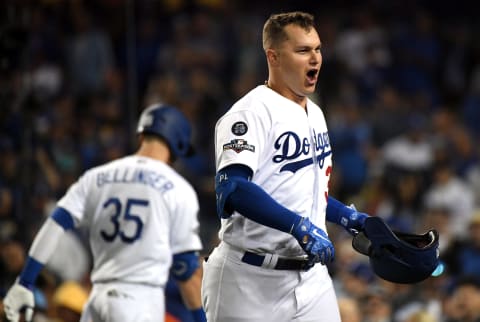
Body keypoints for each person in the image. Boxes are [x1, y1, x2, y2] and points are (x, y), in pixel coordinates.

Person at [201, 11, 369, 322]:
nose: (315, 58)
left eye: (317, 49)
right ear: (273, 56)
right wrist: (297, 226)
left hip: (310, 279)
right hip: (248, 279)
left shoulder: (315, 113)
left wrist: (348, 216)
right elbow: (233, 188)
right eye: (303, 50)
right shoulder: (249, 113)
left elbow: (305, 192)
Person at [2, 104, 206, 322]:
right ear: (179, 146)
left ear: (141, 136)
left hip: (97, 299)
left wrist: (25, 281)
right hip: (140, 301)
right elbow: (186, 271)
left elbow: (56, 223)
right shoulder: (178, 189)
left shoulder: (97, 176)